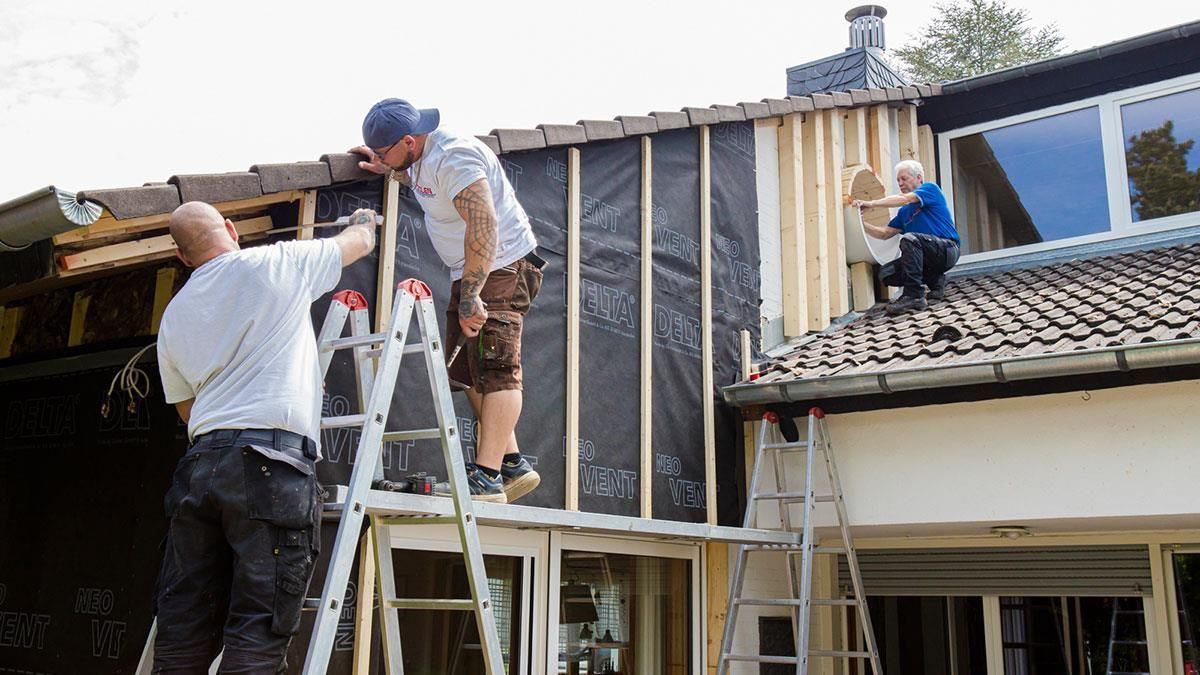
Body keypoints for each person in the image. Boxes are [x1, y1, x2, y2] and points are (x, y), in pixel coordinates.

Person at [153, 201, 376, 672]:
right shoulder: (277, 261)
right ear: (231, 229)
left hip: (200, 468)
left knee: (183, 636)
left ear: (183, 258)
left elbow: (188, 409)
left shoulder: (172, 317)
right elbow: (359, 243)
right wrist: (362, 219)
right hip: (270, 466)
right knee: (257, 634)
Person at [351, 98, 544, 505]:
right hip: (471, 270)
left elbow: (483, 222)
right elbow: (423, 183)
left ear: (409, 139)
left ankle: (487, 477)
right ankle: (511, 464)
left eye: (388, 152)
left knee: (498, 367)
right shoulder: (414, 158)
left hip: (504, 265)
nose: (386, 159)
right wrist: (387, 166)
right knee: (466, 370)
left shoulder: (455, 156)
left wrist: (473, 293)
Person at [851, 159, 960, 315]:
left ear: (919, 178)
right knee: (886, 273)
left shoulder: (930, 189)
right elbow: (884, 234)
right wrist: (861, 224)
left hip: (947, 250)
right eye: (898, 180)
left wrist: (871, 204)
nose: (900, 183)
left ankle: (914, 295)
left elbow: (905, 199)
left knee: (909, 240)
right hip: (927, 256)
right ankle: (935, 280)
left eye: (904, 178)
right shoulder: (904, 213)